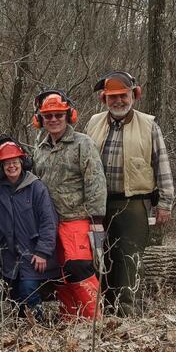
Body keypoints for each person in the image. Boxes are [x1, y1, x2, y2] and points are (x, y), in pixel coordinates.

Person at [85, 71, 174, 316]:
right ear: (104, 99)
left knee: (129, 257)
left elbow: (162, 164)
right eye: (112, 97)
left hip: (134, 203)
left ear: (134, 95)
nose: (118, 101)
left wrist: (165, 202)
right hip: (98, 204)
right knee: (99, 257)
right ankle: (101, 310)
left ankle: (126, 312)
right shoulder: (94, 122)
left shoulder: (149, 125)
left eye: (123, 96)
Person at [31, 90, 106, 319]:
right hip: (50, 223)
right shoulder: (40, 149)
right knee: (59, 273)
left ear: (68, 115)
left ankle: (94, 321)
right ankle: (70, 320)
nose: (53, 119)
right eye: (48, 116)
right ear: (40, 119)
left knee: (79, 269)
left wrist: (96, 220)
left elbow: (95, 181)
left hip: (77, 219)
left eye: (58, 115)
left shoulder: (83, 143)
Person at [0, 137, 58, 321]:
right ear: (0, 167)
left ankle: (37, 325)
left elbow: (48, 222)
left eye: (15, 162)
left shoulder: (36, 187)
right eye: (6, 163)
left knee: (28, 289)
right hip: (8, 255)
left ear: (23, 162)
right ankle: (23, 328)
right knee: (15, 295)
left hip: (32, 252)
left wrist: (43, 251)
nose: (11, 166)